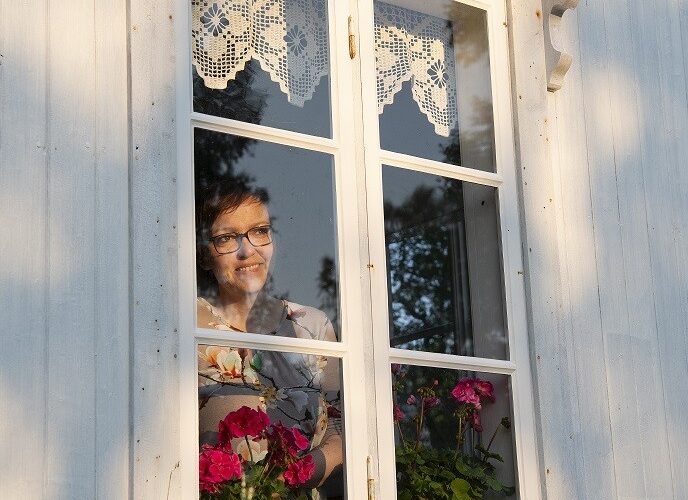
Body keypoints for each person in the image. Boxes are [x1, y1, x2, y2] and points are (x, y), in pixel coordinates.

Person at [195, 181, 343, 496]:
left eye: (260, 231)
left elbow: (342, 427)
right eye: (226, 238)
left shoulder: (311, 326)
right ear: (205, 255)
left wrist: (291, 480)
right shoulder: (184, 325)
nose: (248, 250)